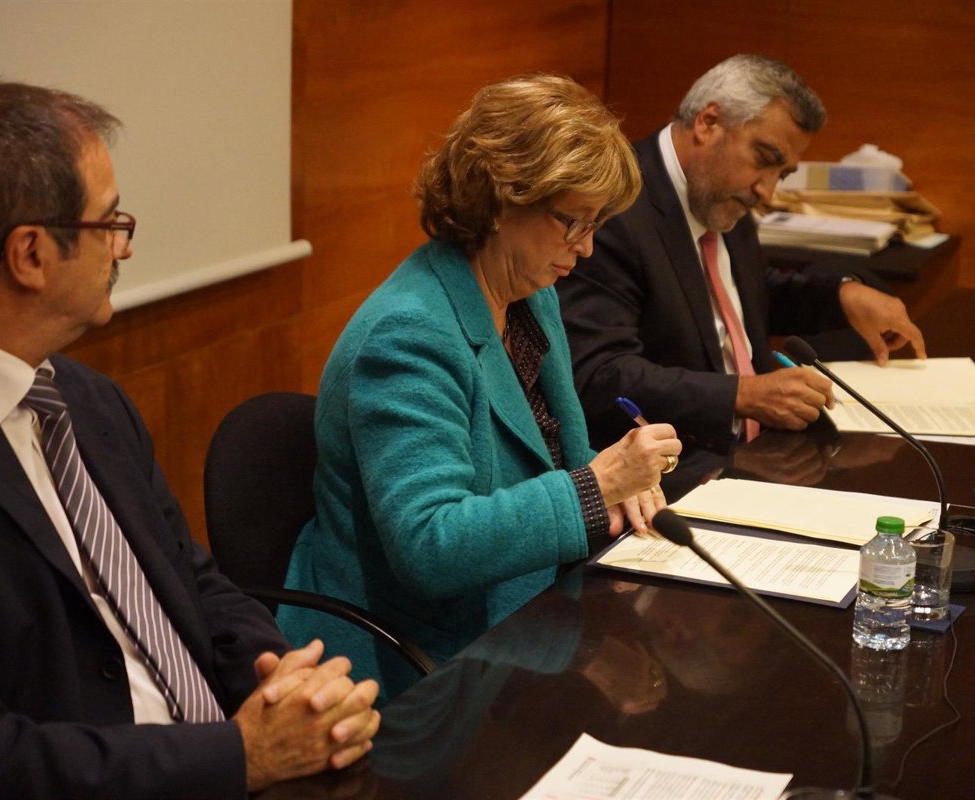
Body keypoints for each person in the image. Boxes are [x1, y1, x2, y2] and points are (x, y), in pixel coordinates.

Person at [0, 81, 378, 798]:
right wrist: (240, 757)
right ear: (30, 254)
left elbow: (190, 580)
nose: (124, 244)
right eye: (109, 222)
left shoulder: (86, 398)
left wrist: (286, 680)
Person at [277, 75, 682, 700]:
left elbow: (549, 455)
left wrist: (621, 486)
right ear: (499, 198)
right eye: (572, 222)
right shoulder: (409, 334)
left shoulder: (530, 295)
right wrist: (597, 486)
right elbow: (430, 545)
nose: (587, 248)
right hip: (412, 668)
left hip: (521, 625)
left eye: (597, 224)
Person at [557, 54, 927, 454]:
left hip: (759, 450)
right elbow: (599, 375)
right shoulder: (614, 208)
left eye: (782, 173)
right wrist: (742, 395)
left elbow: (738, 293)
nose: (767, 190)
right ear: (708, 122)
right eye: (764, 159)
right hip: (676, 464)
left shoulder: (719, 193)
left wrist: (842, 294)